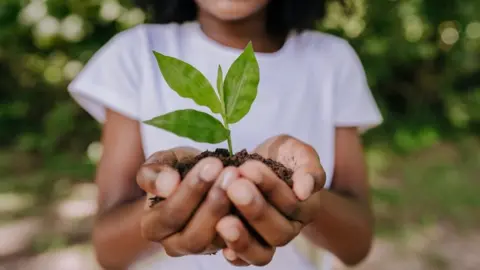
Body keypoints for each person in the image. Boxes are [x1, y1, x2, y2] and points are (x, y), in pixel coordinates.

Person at [67, 0, 383, 269]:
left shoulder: (331, 61)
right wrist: (171, 202)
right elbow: (107, 248)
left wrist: (299, 196)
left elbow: (357, 244)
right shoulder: (135, 55)